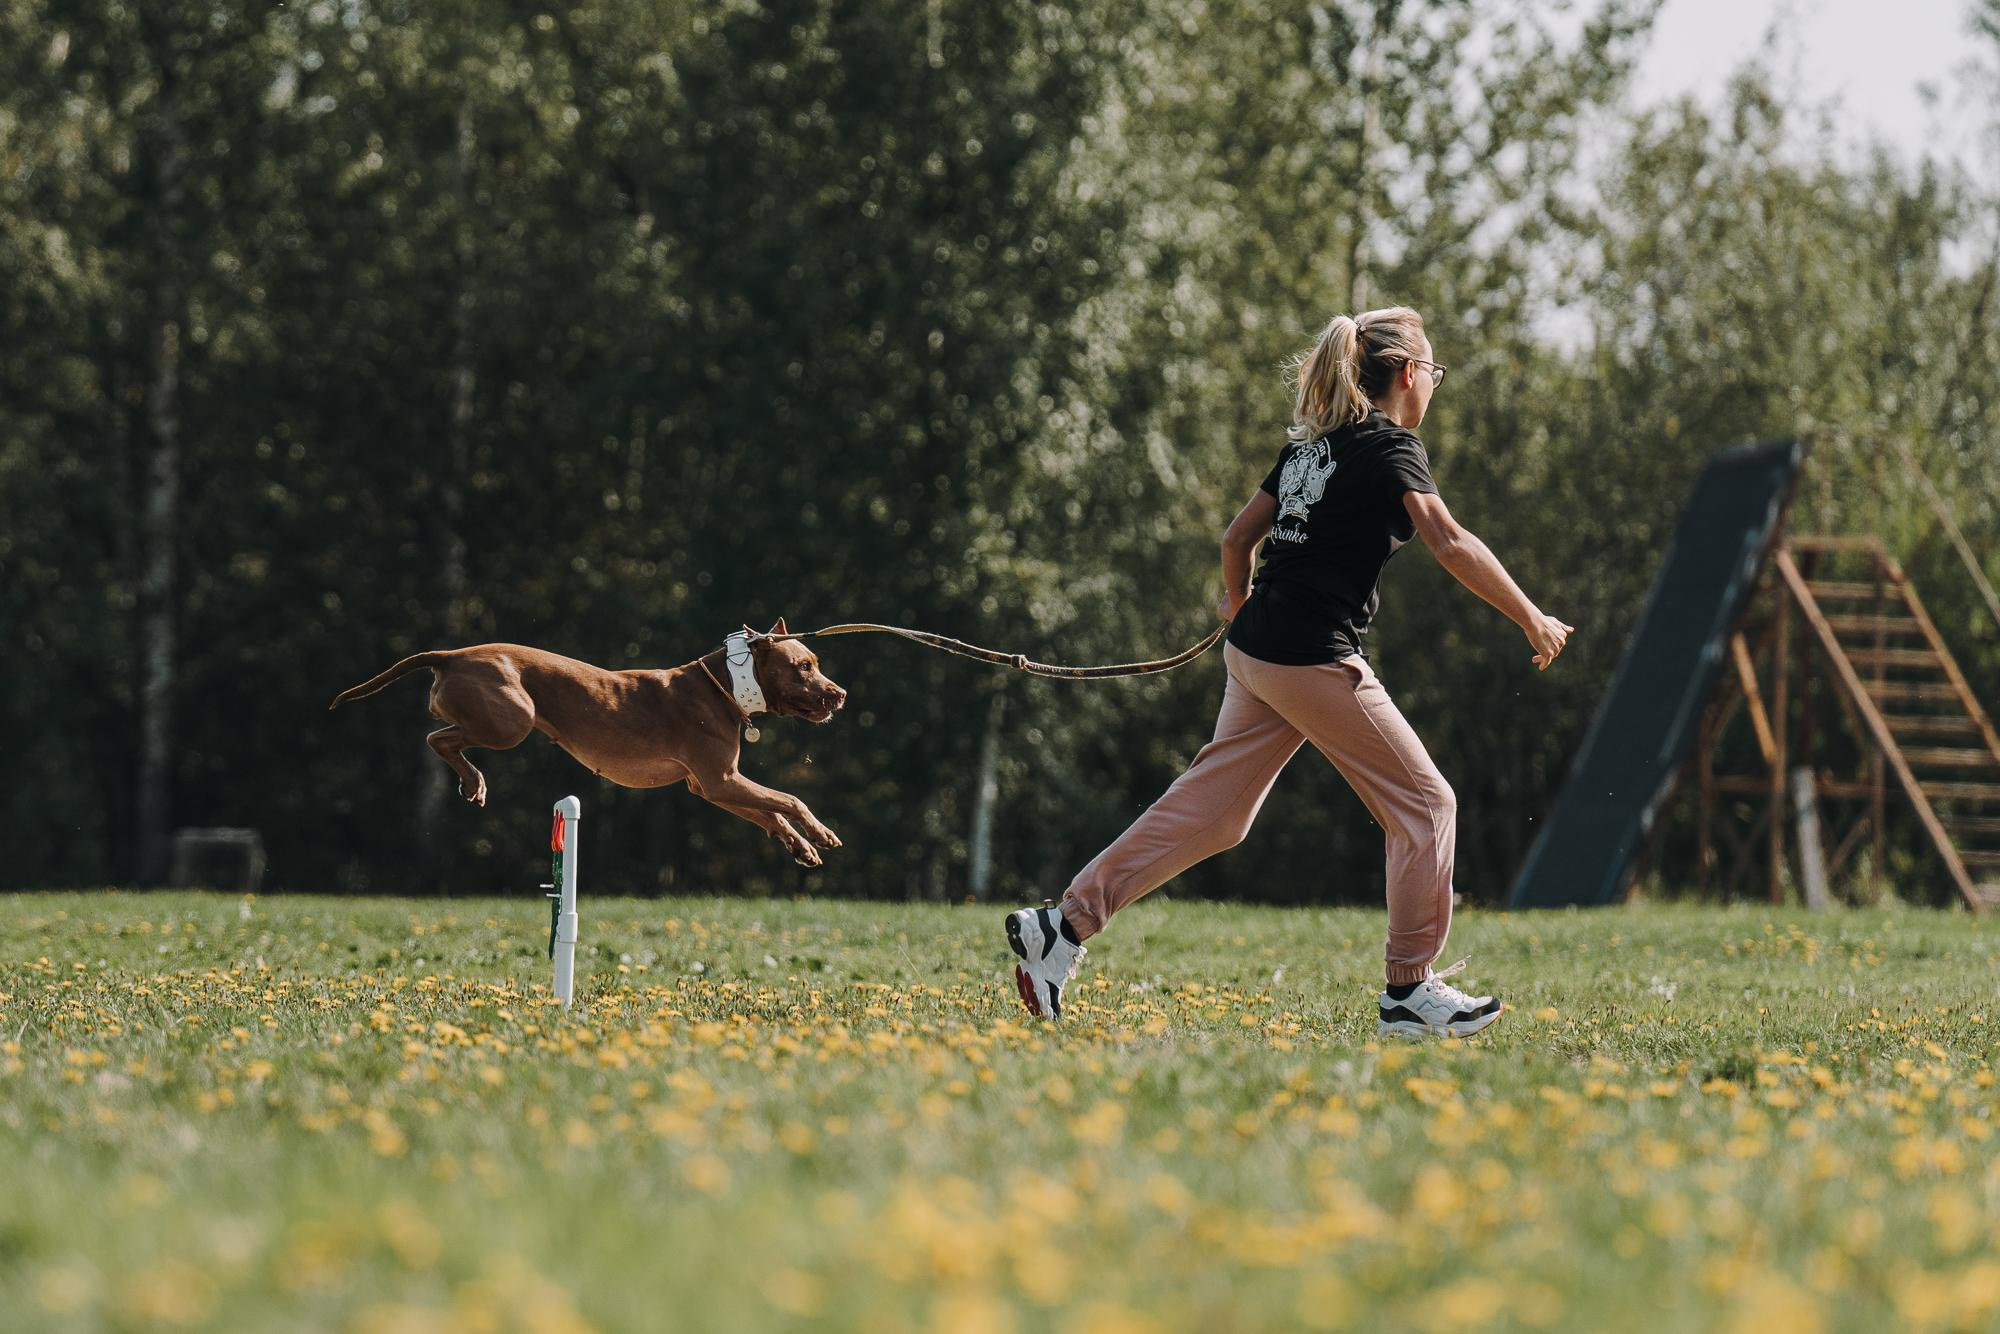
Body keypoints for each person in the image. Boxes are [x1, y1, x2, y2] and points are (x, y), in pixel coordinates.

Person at [1005, 305, 1572, 1036]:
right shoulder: (1390, 446)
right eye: (1433, 370)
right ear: (1407, 374)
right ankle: (1409, 992)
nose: (1434, 384)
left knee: (1218, 813)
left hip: (1257, 651)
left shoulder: (1312, 450)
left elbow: (1237, 536)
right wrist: (1531, 615)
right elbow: (1449, 539)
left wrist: (1239, 606)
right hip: (1310, 655)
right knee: (1427, 807)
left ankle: (1063, 927)